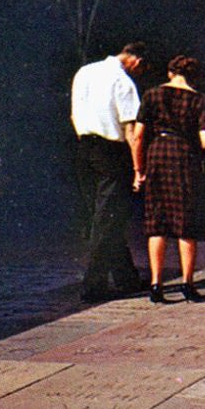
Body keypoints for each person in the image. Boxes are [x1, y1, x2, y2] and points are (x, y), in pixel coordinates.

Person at [133, 55, 205, 303]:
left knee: (156, 221)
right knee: (186, 221)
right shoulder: (199, 99)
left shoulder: (152, 95)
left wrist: (139, 169)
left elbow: (138, 136)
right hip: (184, 158)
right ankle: (188, 284)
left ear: (170, 73)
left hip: (157, 154)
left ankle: (156, 285)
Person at [71, 41, 147, 302]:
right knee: (107, 219)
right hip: (111, 152)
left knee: (103, 216)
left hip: (84, 147)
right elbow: (130, 131)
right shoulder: (123, 83)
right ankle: (94, 284)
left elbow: (74, 114)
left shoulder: (85, 72)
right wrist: (139, 168)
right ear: (135, 60)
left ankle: (126, 278)